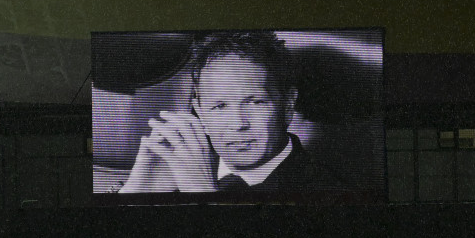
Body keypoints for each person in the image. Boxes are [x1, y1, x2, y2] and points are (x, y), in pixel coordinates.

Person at [119, 31, 338, 193]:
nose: (237, 123)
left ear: (288, 105)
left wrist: (203, 196)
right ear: (200, 113)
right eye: (219, 106)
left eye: (255, 103)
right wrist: (134, 193)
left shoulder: (329, 191)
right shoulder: (172, 174)